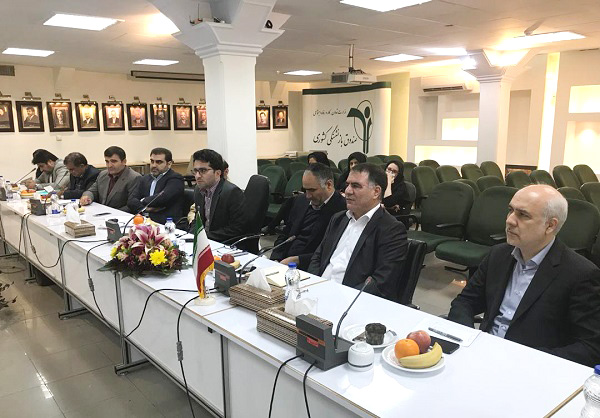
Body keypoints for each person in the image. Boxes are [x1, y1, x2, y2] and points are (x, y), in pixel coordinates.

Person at [448, 185, 600, 367]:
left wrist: (526, 360)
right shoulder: (498, 255)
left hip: (532, 367)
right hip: (482, 354)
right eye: (510, 210)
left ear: (550, 225)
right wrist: (469, 340)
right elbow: (465, 302)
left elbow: (591, 347)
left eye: (523, 215)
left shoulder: (580, 274)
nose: (510, 220)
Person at [308, 163, 408, 300]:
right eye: (347, 185)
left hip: (350, 301)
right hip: (317, 292)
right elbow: (318, 257)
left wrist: (339, 298)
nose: (348, 191)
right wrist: (313, 285)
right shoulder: (338, 219)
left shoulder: (391, 229)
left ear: (376, 192)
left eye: (356, 186)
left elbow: (381, 283)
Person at [271, 163, 346, 270]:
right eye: (305, 189)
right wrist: (276, 259)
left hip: (311, 268)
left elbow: (331, 252)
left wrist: (298, 260)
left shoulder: (342, 209)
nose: (308, 195)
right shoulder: (300, 201)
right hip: (284, 263)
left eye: (312, 190)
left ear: (329, 185)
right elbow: (285, 234)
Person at [192, 149, 246, 242]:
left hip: (224, 243)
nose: (197, 176)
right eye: (195, 171)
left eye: (203, 171)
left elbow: (237, 228)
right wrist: (191, 234)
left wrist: (205, 236)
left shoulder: (232, 192)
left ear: (217, 173)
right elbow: (198, 219)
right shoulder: (198, 189)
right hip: (204, 241)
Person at [128, 148, 184, 224]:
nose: (154, 165)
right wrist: (145, 209)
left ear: (169, 164)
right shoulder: (145, 178)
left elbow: (162, 198)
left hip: (164, 223)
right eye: (152, 161)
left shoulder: (176, 179)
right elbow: (131, 200)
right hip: (142, 220)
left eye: (159, 162)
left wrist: (142, 200)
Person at [81, 146, 141, 212]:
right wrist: (87, 197)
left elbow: (132, 206)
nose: (109, 165)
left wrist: (111, 213)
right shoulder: (103, 174)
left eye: (114, 161)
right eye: (107, 161)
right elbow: (92, 191)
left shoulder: (134, 178)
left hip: (120, 215)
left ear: (124, 162)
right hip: (101, 214)